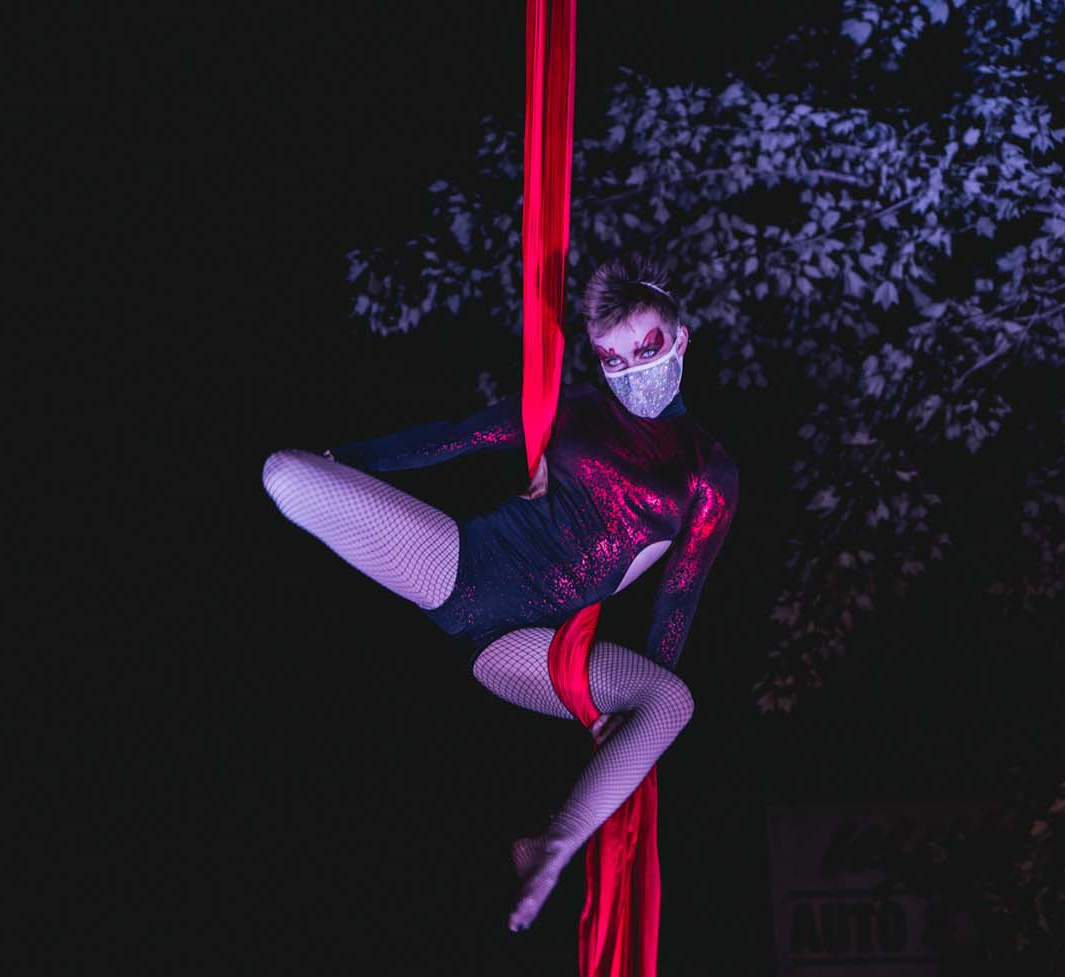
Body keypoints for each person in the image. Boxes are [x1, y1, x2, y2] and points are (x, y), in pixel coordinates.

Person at [261, 250, 739, 932]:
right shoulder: (575, 411)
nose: (632, 371)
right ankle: (320, 472)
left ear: (681, 339)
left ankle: (554, 847)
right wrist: (347, 461)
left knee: (672, 701)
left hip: (523, 648)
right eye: (612, 358)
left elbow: (678, 598)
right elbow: (455, 440)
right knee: (284, 472)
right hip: (465, 569)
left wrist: (624, 716)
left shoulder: (708, 472)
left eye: (646, 349)